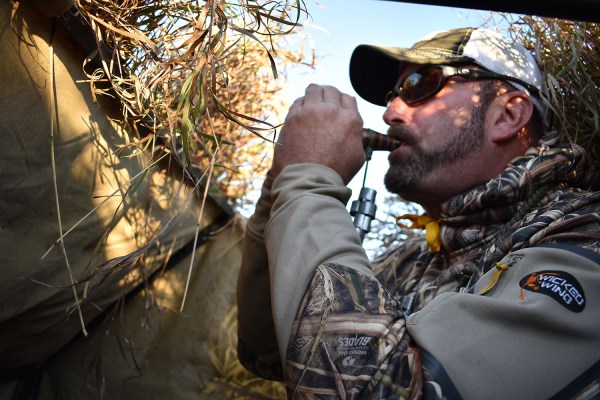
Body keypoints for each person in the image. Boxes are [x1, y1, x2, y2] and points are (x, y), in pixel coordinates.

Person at [236, 27, 600, 399]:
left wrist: (310, 180)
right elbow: (265, 350)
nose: (390, 111)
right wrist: (281, 184)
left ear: (508, 115)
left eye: (419, 84)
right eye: (393, 95)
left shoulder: (582, 234)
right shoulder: (407, 260)